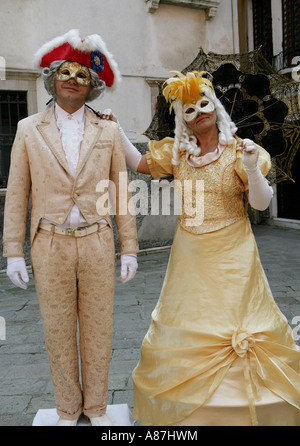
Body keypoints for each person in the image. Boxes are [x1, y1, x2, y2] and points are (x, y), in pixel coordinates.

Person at [114, 71, 300, 426]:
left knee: (235, 316)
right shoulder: (177, 153)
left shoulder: (241, 151)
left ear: (215, 108)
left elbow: (261, 204)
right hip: (190, 251)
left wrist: (251, 169)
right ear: (182, 118)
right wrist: (116, 128)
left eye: (204, 104)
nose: (199, 112)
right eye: (189, 109)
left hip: (234, 250)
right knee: (190, 318)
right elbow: (138, 163)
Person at [3, 29, 139, 427]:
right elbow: (17, 192)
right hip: (49, 242)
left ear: (91, 86)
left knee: (99, 329)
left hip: (97, 240)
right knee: (57, 330)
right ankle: (67, 409)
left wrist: (128, 246)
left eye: (82, 75)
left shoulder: (109, 130)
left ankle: (96, 408)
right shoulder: (29, 129)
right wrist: (13, 250)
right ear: (52, 79)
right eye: (65, 72)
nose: (72, 80)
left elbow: (121, 190)